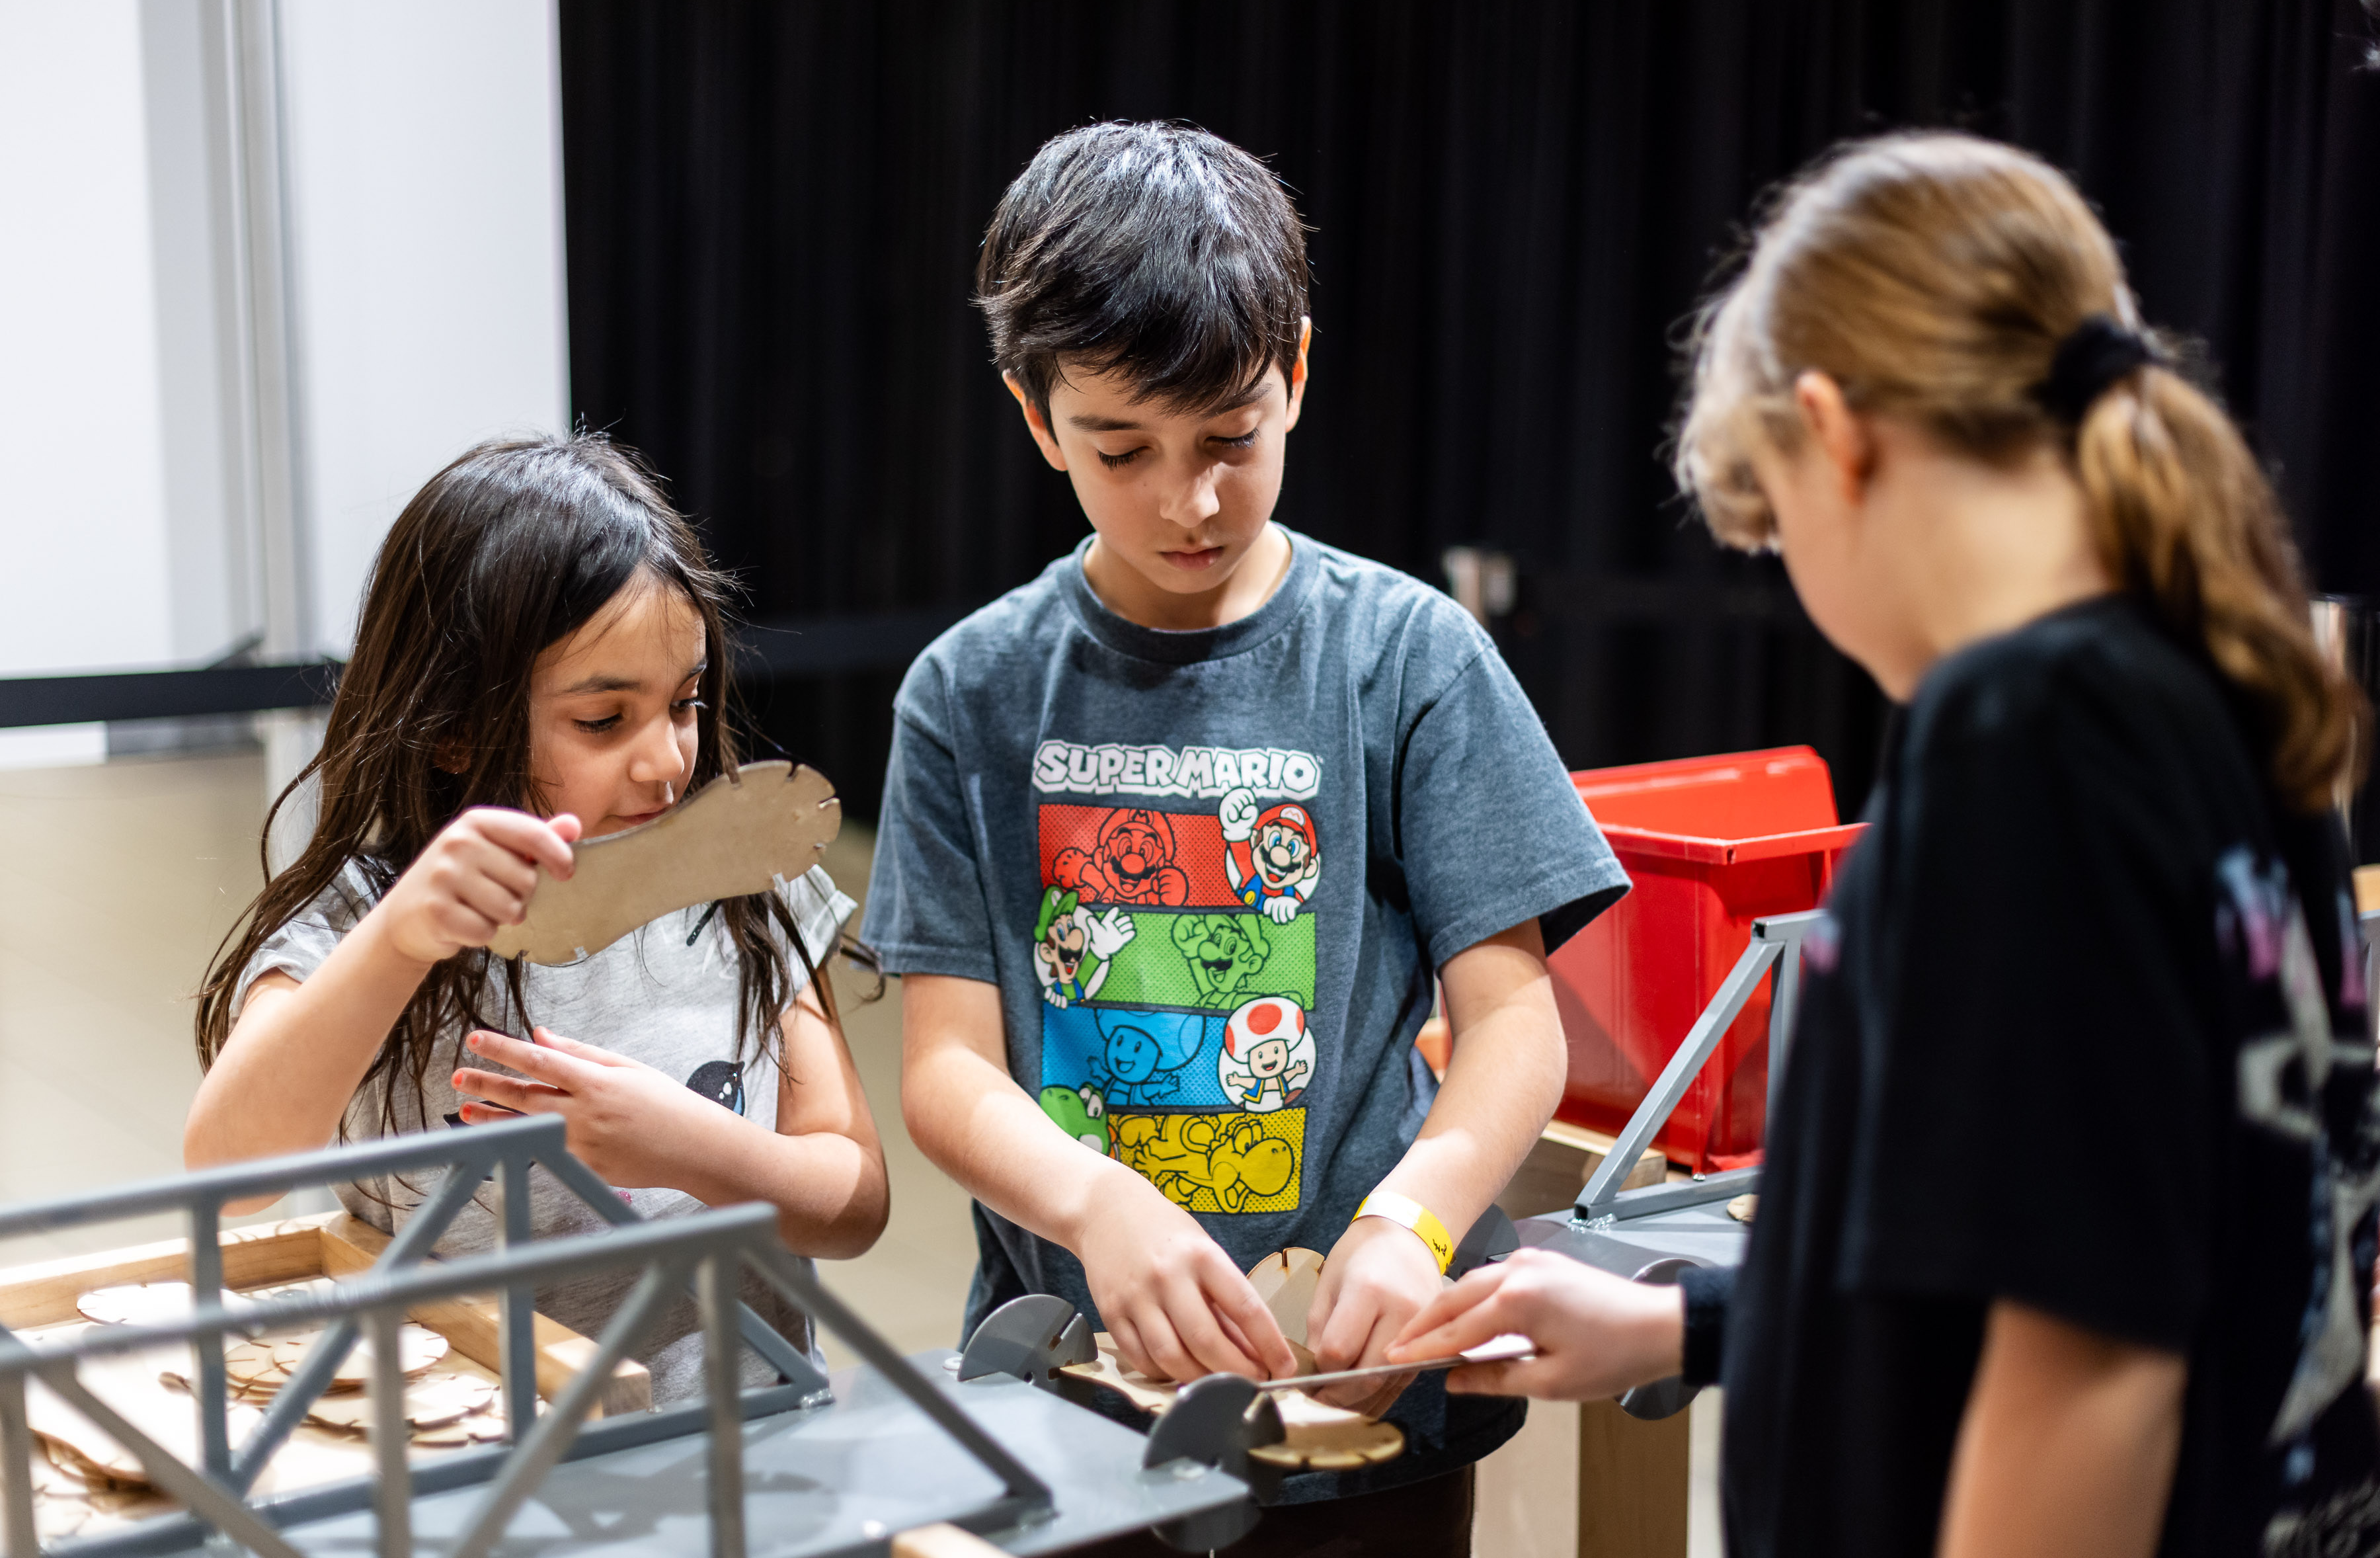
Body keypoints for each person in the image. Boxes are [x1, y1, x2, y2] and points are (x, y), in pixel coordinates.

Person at [1388, 132, 2380, 1557]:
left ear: (1835, 431)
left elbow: (2088, 1369)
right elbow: (2085, 1227)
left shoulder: (2027, 723)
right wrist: (1677, 1319)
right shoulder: (2229, 677)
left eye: (1778, 523)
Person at [862, 122, 1627, 1549]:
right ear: (1037, 421)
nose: (1187, 500)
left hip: (1358, 1386)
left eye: (1230, 438)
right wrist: (1096, 1207)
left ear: (1298, 374)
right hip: (1079, 1386)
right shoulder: (970, 694)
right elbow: (947, 1073)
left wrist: (1413, 1219)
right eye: (1120, 449)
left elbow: (1517, 1035)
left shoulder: (1411, 658)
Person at [186, 434, 887, 1404]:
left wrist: (688, 1143)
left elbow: (853, 1202)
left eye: (684, 703)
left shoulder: (746, 882)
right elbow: (228, 1175)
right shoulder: (358, 919)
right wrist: (398, 940)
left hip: (742, 1458)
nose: (665, 762)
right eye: (604, 721)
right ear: (454, 724)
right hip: (476, 1480)